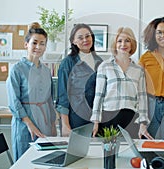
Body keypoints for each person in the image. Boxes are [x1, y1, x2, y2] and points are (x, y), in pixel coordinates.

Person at [90, 27, 153, 139]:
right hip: (108, 116)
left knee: (129, 154)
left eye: (127, 40)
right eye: (119, 41)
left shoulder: (138, 69)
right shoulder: (105, 66)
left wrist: (143, 123)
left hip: (131, 118)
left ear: (132, 44)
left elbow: (142, 98)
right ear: (115, 44)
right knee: (108, 153)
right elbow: (99, 96)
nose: (123, 44)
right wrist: (95, 121)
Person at [6, 22, 57, 161]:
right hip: (24, 124)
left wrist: (53, 125)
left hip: (44, 121)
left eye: (42, 43)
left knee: (45, 160)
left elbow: (49, 99)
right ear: (26, 44)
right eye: (34, 43)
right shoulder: (16, 69)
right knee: (25, 161)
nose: (38, 47)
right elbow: (14, 102)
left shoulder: (47, 71)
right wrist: (30, 124)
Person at [56, 23, 103, 137]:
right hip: (76, 119)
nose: (85, 40)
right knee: (78, 153)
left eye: (88, 36)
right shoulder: (68, 63)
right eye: (80, 38)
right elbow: (63, 96)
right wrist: (65, 125)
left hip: (97, 119)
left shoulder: (100, 62)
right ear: (73, 41)